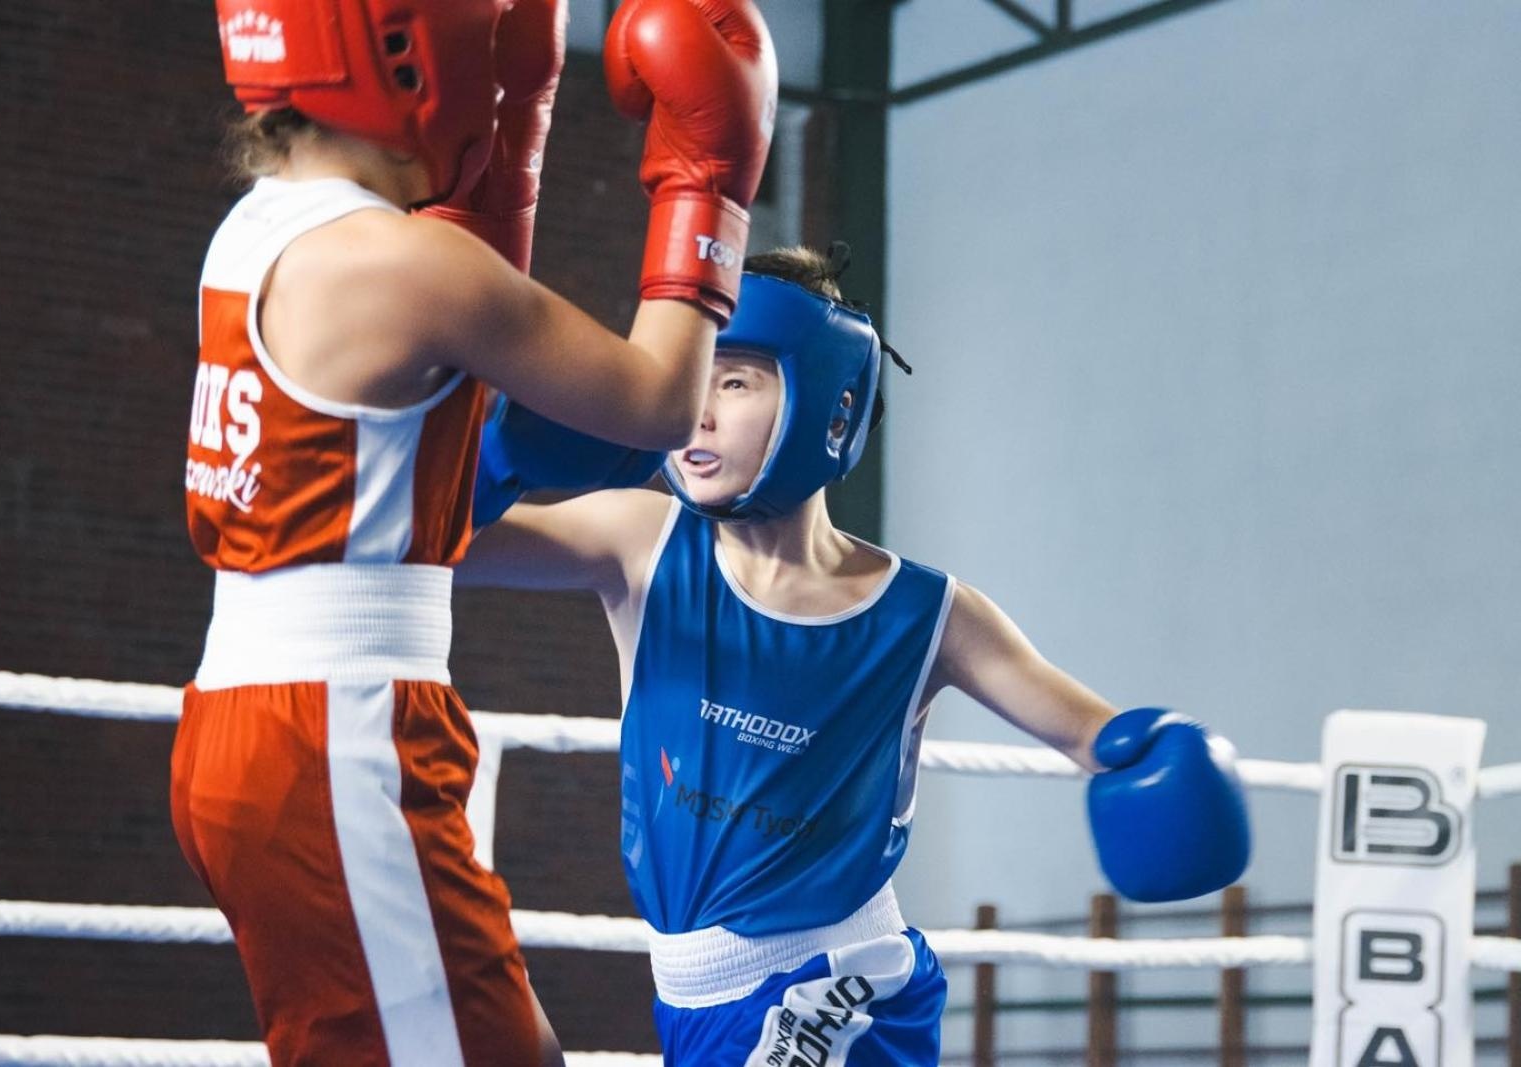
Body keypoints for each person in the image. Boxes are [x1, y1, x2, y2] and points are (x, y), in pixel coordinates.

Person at [455, 244, 1252, 1064]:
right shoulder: (642, 543)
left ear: (829, 409)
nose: (699, 412)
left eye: (734, 381)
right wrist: (497, 463)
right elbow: (429, 548)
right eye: (690, 380)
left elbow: (1103, 737)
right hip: (695, 998)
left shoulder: (929, 613)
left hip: (836, 989)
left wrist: (1163, 760)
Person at [170, 0, 777, 1063]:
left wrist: (516, 130)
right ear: (407, 46)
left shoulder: (258, 229)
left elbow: (447, 366)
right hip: (335, 732)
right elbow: (656, 403)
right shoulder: (399, 265)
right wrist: (709, 176)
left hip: (255, 720)